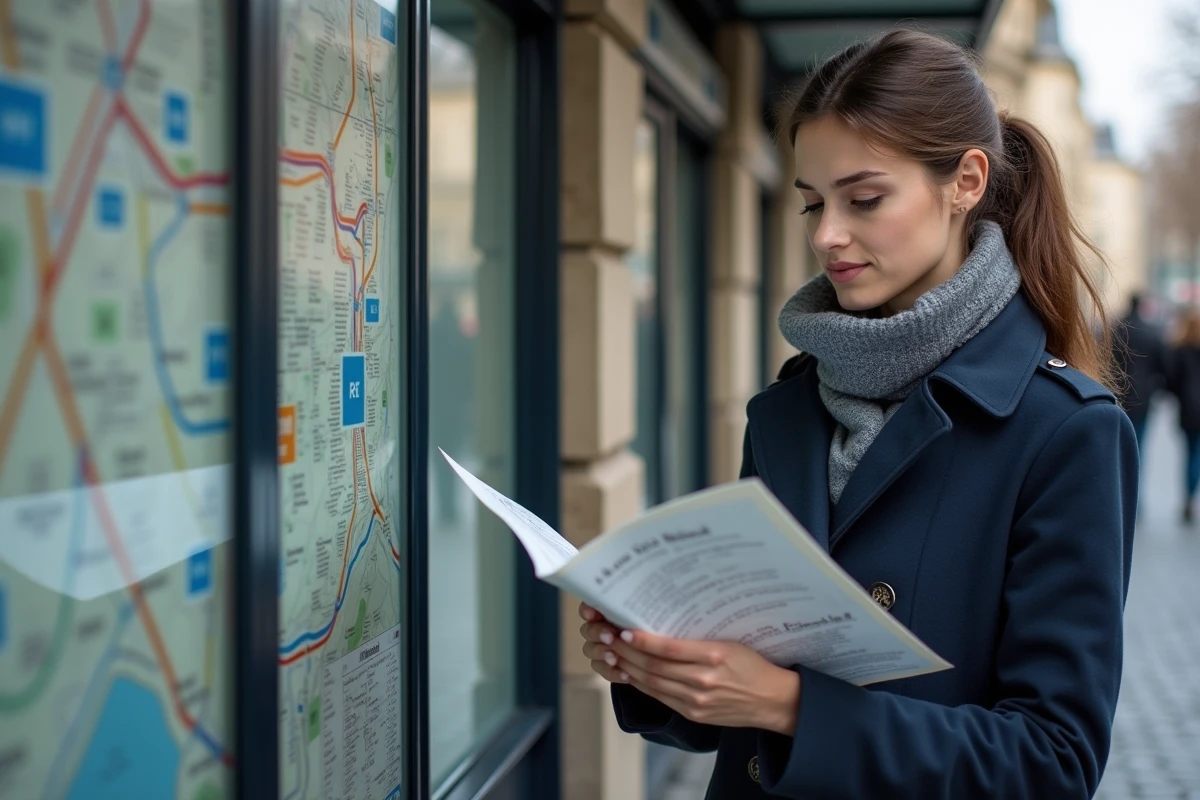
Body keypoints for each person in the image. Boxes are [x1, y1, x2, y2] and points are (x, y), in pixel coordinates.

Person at [577, 29, 1137, 799]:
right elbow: (738, 702)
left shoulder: (1066, 430)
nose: (826, 234)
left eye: (864, 199)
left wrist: (791, 707)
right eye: (812, 202)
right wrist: (661, 666)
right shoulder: (789, 405)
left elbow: (1052, 763)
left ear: (966, 181)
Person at [1111, 292, 1166, 449]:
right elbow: (1161, 364)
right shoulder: (1150, 332)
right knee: (1138, 439)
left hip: (1117, 390)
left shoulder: (1117, 330)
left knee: (1118, 438)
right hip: (1143, 393)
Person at [1165, 310, 1200, 524]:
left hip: (1188, 408)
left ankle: (1188, 495)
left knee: (1189, 452)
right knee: (1197, 453)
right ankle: (1190, 494)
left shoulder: (1180, 350)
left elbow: (1171, 379)